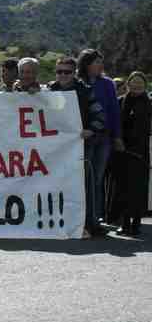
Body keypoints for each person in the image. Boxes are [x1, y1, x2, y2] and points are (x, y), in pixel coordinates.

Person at [48, 56, 106, 236]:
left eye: (67, 72)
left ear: (74, 73)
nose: (63, 75)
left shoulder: (86, 91)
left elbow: (100, 117)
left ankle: (90, 223)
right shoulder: (48, 91)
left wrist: (91, 130)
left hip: (80, 147)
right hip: (54, 150)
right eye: (59, 71)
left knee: (84, 186)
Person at [77, 48, 123, 227]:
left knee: (97, 178)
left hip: (103, 138)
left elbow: (113, 111)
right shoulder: (77, 82)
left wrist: (117, 136)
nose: (100, 65)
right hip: (83, 138)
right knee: (84, 178)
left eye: (101, 62)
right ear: (86, 64)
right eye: (97, 62)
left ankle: (95, 217)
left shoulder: (108, 84)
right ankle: (83, 216)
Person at [114, 72, 150, 236]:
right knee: (123, 187)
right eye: (134, 82)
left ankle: (136, 222)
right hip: (123, 149)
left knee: (138, 188)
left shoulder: (149, 103)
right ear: (128, 84)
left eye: (140, 83)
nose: (136, 85)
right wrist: (117, 140)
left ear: (145, 86)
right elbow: (115, 124)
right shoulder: (120, 101)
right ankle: (124, 222)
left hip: (141, 151)